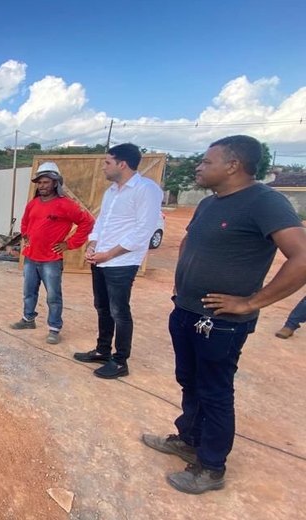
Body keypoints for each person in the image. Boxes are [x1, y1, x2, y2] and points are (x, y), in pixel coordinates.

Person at [142, 135, 306, 495]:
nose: (198, 166)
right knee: (190, 380)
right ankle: (189, 439)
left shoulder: (266, 202)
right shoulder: (209, 204)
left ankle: (212, 467)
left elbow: (302, 258)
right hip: (185, 310)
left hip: (220, 324)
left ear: (233, 165)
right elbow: (189, 242)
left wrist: (250, 303)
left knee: (215, 391)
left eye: (206, 161)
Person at [73, 143, 163, 378]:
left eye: (107, 162)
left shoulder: (146, 189)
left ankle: (120, 360)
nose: (103, 167)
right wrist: (93, 244)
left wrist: (109, 254)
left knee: (119, 311)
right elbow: (101, 222)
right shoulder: (111, 191)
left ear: (122, 164)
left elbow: (144, 230)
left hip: (121, 263)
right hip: (100, 259)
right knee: (102, 307)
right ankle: (103, 350)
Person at [10, 162, 94, 344]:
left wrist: (69, 243)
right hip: (31, 257)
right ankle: (28, 319)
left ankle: (54, 328)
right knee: (29, 292)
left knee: (53, 296)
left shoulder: (66, 205)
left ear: (56, 183)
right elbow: (25, 222)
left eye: (46, 182)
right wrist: (26, 235)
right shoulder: (33, 204)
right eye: (39, 183)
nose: (41, 186)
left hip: (51, 260)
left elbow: (87, 222)